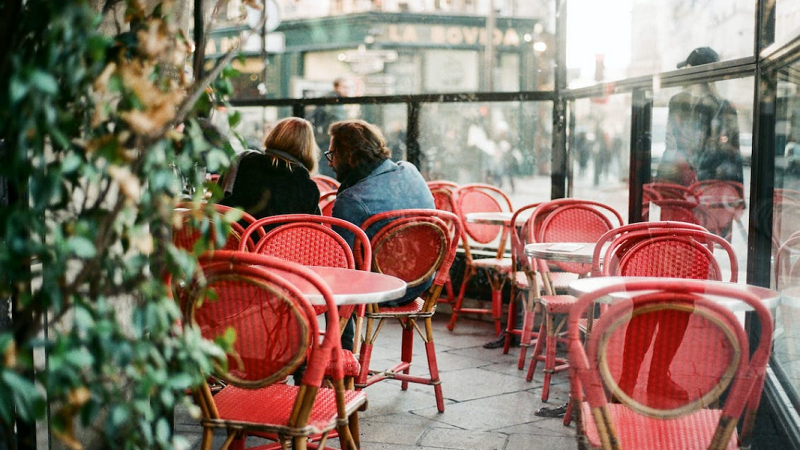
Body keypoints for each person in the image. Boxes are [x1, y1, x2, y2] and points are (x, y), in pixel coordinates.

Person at [325, 119, 435, 350]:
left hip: (385, 290)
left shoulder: (352, 199)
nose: (330, 162)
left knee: (332, 283)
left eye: (333, 154)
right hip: (422, 282)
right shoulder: (410, 171)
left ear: (350, 156)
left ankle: (339, 361)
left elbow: (340, 262)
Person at [656, 47, 743, 186]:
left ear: (690, 69)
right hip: (712, 184)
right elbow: (734, 154)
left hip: (679, 183)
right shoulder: (725, 106)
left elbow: (671, 143)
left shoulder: (677, 102)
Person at [219, 117, 320, 222]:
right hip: (281, 239)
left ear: (274, 135)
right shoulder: (308, 187)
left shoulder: (244, 162)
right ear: (308, 147)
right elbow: (312, 231)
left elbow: (217, 204)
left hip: (237, 237)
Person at [307, 77, 351, 177]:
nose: (347, 90)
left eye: (349, 87)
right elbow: (338, 121)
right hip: (329, 139)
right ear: (336, 87)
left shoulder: (333, 100)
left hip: (325, 138)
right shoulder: (334, 102)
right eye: (344, 87)